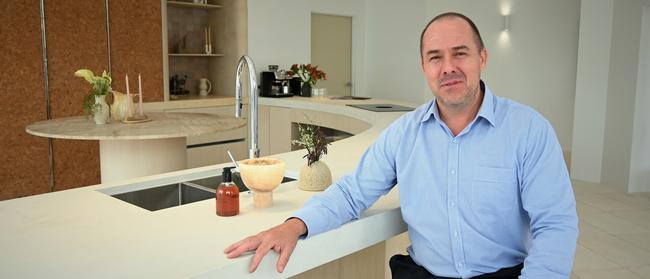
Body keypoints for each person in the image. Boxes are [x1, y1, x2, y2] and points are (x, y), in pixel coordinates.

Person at [225, 12, 578, 279]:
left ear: (482, 58)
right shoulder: (403, 134)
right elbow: (352, 194)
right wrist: (293, 225)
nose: (448, 68)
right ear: (424, 66)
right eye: (435, 57)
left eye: (460, 54)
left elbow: (556, 226)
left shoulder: (529, 130)